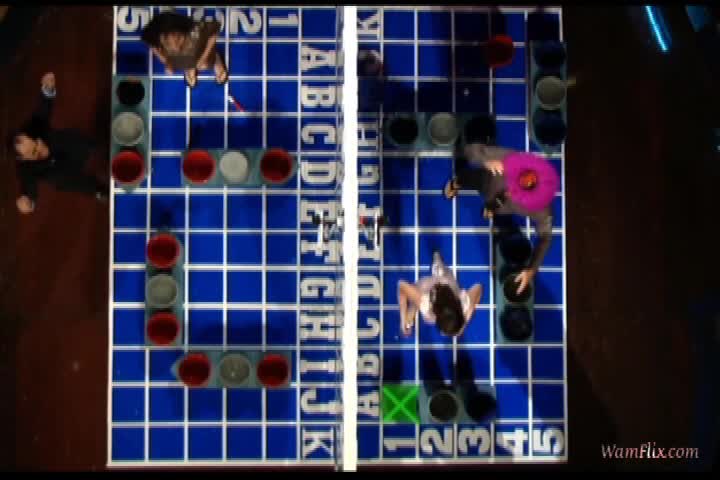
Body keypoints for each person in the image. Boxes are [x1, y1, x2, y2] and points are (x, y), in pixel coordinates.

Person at [443, 142, 555, 296]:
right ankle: (456, 183)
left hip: (502, 209)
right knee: (466, 178)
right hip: (485, 182)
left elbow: (546, 238)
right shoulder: (508, 158)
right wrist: (485, 160)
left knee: (494, 211)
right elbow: (470, 150)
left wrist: (531, 270)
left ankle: (489, 209)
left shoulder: (542, 209)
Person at [10, 72, 109, 215]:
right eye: (34, 152)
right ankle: (99, 190)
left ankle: (102, 147)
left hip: (64, 145)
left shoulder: (32, 127)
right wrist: (28, 202)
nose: (40, 148)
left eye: (36, 142)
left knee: (80, 142)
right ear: (23, 159)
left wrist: (48, 90)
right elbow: (28, 190)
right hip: (60, 172)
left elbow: (42, 110)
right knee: (67, 181)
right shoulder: (25, 170)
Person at [397, 251, 483, 337]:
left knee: (442, 271)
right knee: (410, 317)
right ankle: (437, 262)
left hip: (446, 279)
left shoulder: (463, 303)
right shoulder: (425, 303)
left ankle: (438, 261)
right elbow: (401, 285)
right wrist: (403, 319)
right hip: (425, 287)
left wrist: (465, 322)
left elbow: (478, 288)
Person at [140, 11, 228, 88]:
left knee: (204, 65)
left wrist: (202, 59)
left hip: (200, 51)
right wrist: (167, 62)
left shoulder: (197, 31)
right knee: (182, 62)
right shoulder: (162, 44)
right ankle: (189, 67)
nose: (172, 46)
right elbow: (154, 47)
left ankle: (216, 60)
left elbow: (214, 31)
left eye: (176, 37)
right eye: (166, 43)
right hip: (186, 59)